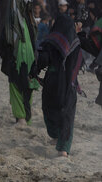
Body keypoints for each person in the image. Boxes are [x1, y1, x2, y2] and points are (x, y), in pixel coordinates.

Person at [33, 14, 82, 157]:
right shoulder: (75, 42)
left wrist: (33, 71)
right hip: (68, 82)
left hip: (51, 81)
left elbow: (42, 59)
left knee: (49, 109)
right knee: (67, 115)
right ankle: (63, 149)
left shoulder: (50, 41)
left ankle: (54, 135)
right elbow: (76, 65)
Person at [0, 0, 39, 126]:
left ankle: (20, 118)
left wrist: (6, 58)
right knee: (29, 84)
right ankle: (27, 117)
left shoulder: (10, 23)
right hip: (31, 59)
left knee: (15, 86)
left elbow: (2, 43)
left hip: (16, 60)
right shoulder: (30, 21)